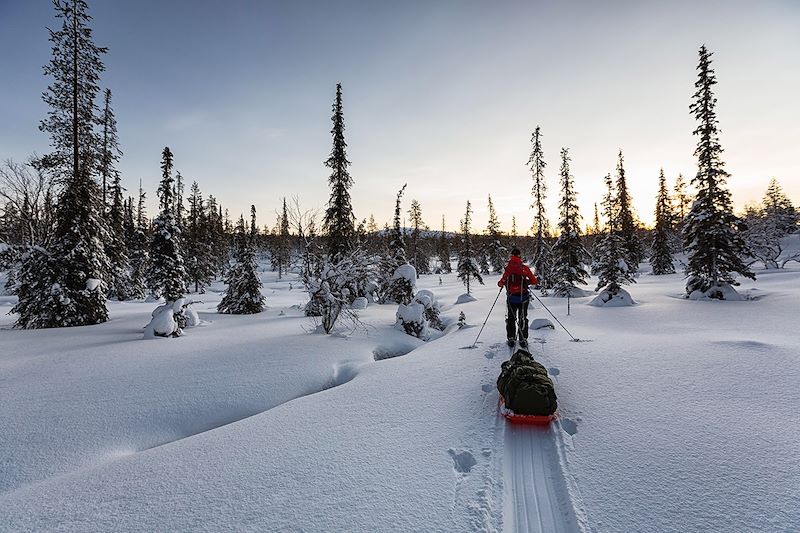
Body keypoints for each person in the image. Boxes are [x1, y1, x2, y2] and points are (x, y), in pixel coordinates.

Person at [497, 248, 538, 347]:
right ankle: (523, 339)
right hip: (523, 298)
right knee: (523, 318)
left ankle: (511, 338)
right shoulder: (524, 268)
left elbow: (500, 283)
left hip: (511, 298)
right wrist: (525, 283)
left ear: (511, 256)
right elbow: (534, 281)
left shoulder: (508, 269)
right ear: (520, 256)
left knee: (511, 318)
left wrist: (504, 283)